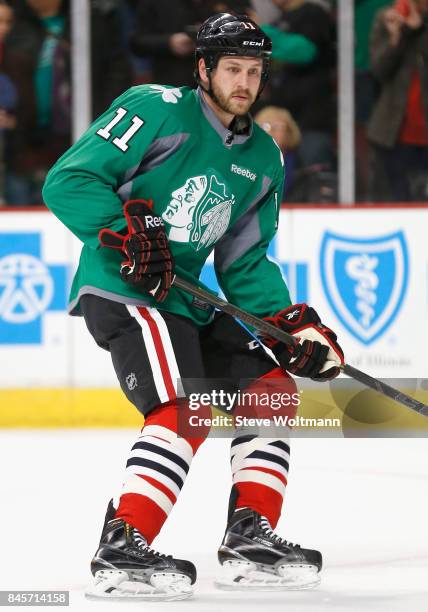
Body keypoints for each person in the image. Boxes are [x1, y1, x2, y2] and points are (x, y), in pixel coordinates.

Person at [43, 13, 344, 601]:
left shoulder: (263, 157)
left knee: (272, 391)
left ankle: (250, 533)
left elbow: (246, 261)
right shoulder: (156, 107)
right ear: (204, 68)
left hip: (185, 301)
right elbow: (68, 181)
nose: (244, 82)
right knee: (186, 405)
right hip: (124, 288)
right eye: (232, 68)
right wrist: (126, 232)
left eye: (254, 71)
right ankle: (123, 543)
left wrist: (290, 327)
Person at [368, 0, 428, 201]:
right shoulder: (387, 17)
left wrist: (418, 29)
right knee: (396, 199)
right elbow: (379, 70)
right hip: (393, 132)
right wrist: (397, 37)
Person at [254, 105, 301, 199]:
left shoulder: (299, 165)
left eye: (278, 127)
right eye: (266, 126)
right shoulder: (245, 162)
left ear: (289, 133)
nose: (271, 131)